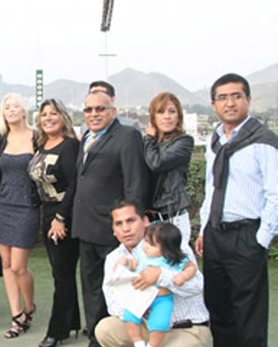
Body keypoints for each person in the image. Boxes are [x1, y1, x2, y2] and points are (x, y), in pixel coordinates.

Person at [194, 73, 278, 347]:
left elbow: (275, 194)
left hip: (246, 235)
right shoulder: (215, 141)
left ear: (248, 100)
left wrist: (260, 240)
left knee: (249, 313)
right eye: (223, 97)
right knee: (218, 308)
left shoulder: (263, 140)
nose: (230, 103)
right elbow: (212, 188)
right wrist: (205, 228)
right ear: (214, 104)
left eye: (236, 96)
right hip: (216, 235)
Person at [72, 90, 148, 347]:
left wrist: (128, 227)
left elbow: (134, 185)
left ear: (112, 111)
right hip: (85, 228)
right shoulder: (86, 137)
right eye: (89, 110)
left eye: (100, 109)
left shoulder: (127, 137)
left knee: (119, 289)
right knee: (91, 289)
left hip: (112, 230)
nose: (94, 114)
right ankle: (96, 337)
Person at [96, 199, 211, 347]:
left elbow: (196, 286)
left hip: (185, 329)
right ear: (113, 229)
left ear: (145, 221)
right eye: (119, 223)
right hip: (144, 328)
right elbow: (113, 304)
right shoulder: (115, 258)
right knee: (105, 329)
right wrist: (142, 303)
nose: (126, 229)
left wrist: (161, 276)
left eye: (131, 221)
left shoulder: (172, 244)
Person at [27, 99, 81, 347]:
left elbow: (74, 185)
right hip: (47, 213)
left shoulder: (69, 146)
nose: (48, 118)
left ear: (63, 118)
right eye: (44, 114)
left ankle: (56, 332)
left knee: (62, 275)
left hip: (64, 217)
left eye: (53, 114)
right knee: (62, 273)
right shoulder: (41, 144)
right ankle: (72, 323)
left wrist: (61, 218)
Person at [0, 93, 39, 339]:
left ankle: (29, 307)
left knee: (20, 267)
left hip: (27, 206)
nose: (11, 110)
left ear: (24, 110)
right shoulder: (1, 139)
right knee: (6, 264)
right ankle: (17, 315)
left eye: (16, 106)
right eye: (7, 106)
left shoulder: (37, 136)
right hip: (3, 205)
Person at [118, 222, 197, 347]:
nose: (146, 246)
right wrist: (127, 263)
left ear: (167, 248)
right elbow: (134, 264)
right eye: (145, 241)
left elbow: (191, 267)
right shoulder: (142, 254)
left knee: (159, 323)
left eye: (152, 244)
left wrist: (183, 276)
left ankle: (153, 345)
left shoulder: (172, 260)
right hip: (141, 295)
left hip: (162, 299)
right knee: (129, 316)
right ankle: (138, 342)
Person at [143, 92, 194, 245]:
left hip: (173, 215)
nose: (167, 116)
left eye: (172, 111)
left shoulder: (184, 141)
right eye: (161, 112)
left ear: (179, 116)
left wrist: (149, 139)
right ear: (153, 116)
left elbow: (157, 163)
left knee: (174, 265)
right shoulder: (148, 144)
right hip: (149, 218)